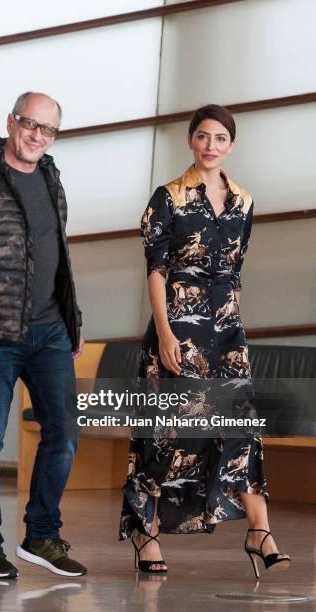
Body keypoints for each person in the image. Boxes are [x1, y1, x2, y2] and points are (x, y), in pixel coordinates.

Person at [119, 104, 291, 579]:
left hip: (227, 333)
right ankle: (145, 530)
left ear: (230, 145)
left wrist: (236, 335)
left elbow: (235, 274)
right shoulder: (168, 198)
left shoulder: (244, 203)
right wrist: (167, 333)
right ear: (191, 141)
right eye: (202, 137)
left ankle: (260, 530)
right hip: (177, 330)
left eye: (220, 138)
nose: (210, 145)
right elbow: (155, 271)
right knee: (172, 431)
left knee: (240, 428)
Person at [0, 91, 87, 579]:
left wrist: (73, 319)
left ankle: (42, 536)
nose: (36, 135)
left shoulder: (51, 177)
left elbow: (58, 256)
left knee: (64, 433)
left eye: (47, 129)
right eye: (29, 124)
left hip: (49, 330)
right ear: (11, 121)